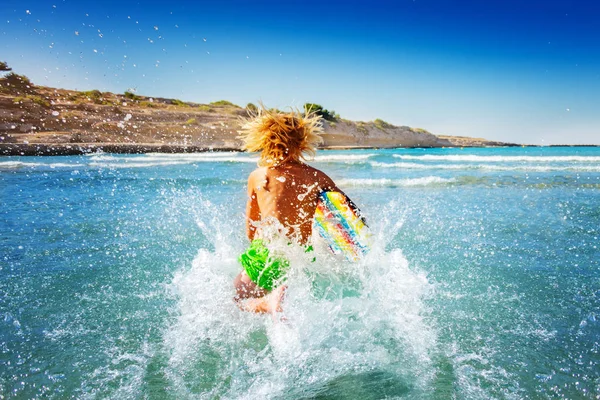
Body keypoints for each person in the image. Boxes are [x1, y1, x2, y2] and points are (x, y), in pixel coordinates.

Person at [233, 106, 342, 315]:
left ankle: (267, 302)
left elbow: (251, 229)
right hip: (301, 255)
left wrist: (256, 255)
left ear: (263, 141)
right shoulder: (318, 177)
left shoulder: (258, 176)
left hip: (268, 251)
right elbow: (342, 211)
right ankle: (277, 297)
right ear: (303, 143)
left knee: (239, 297)